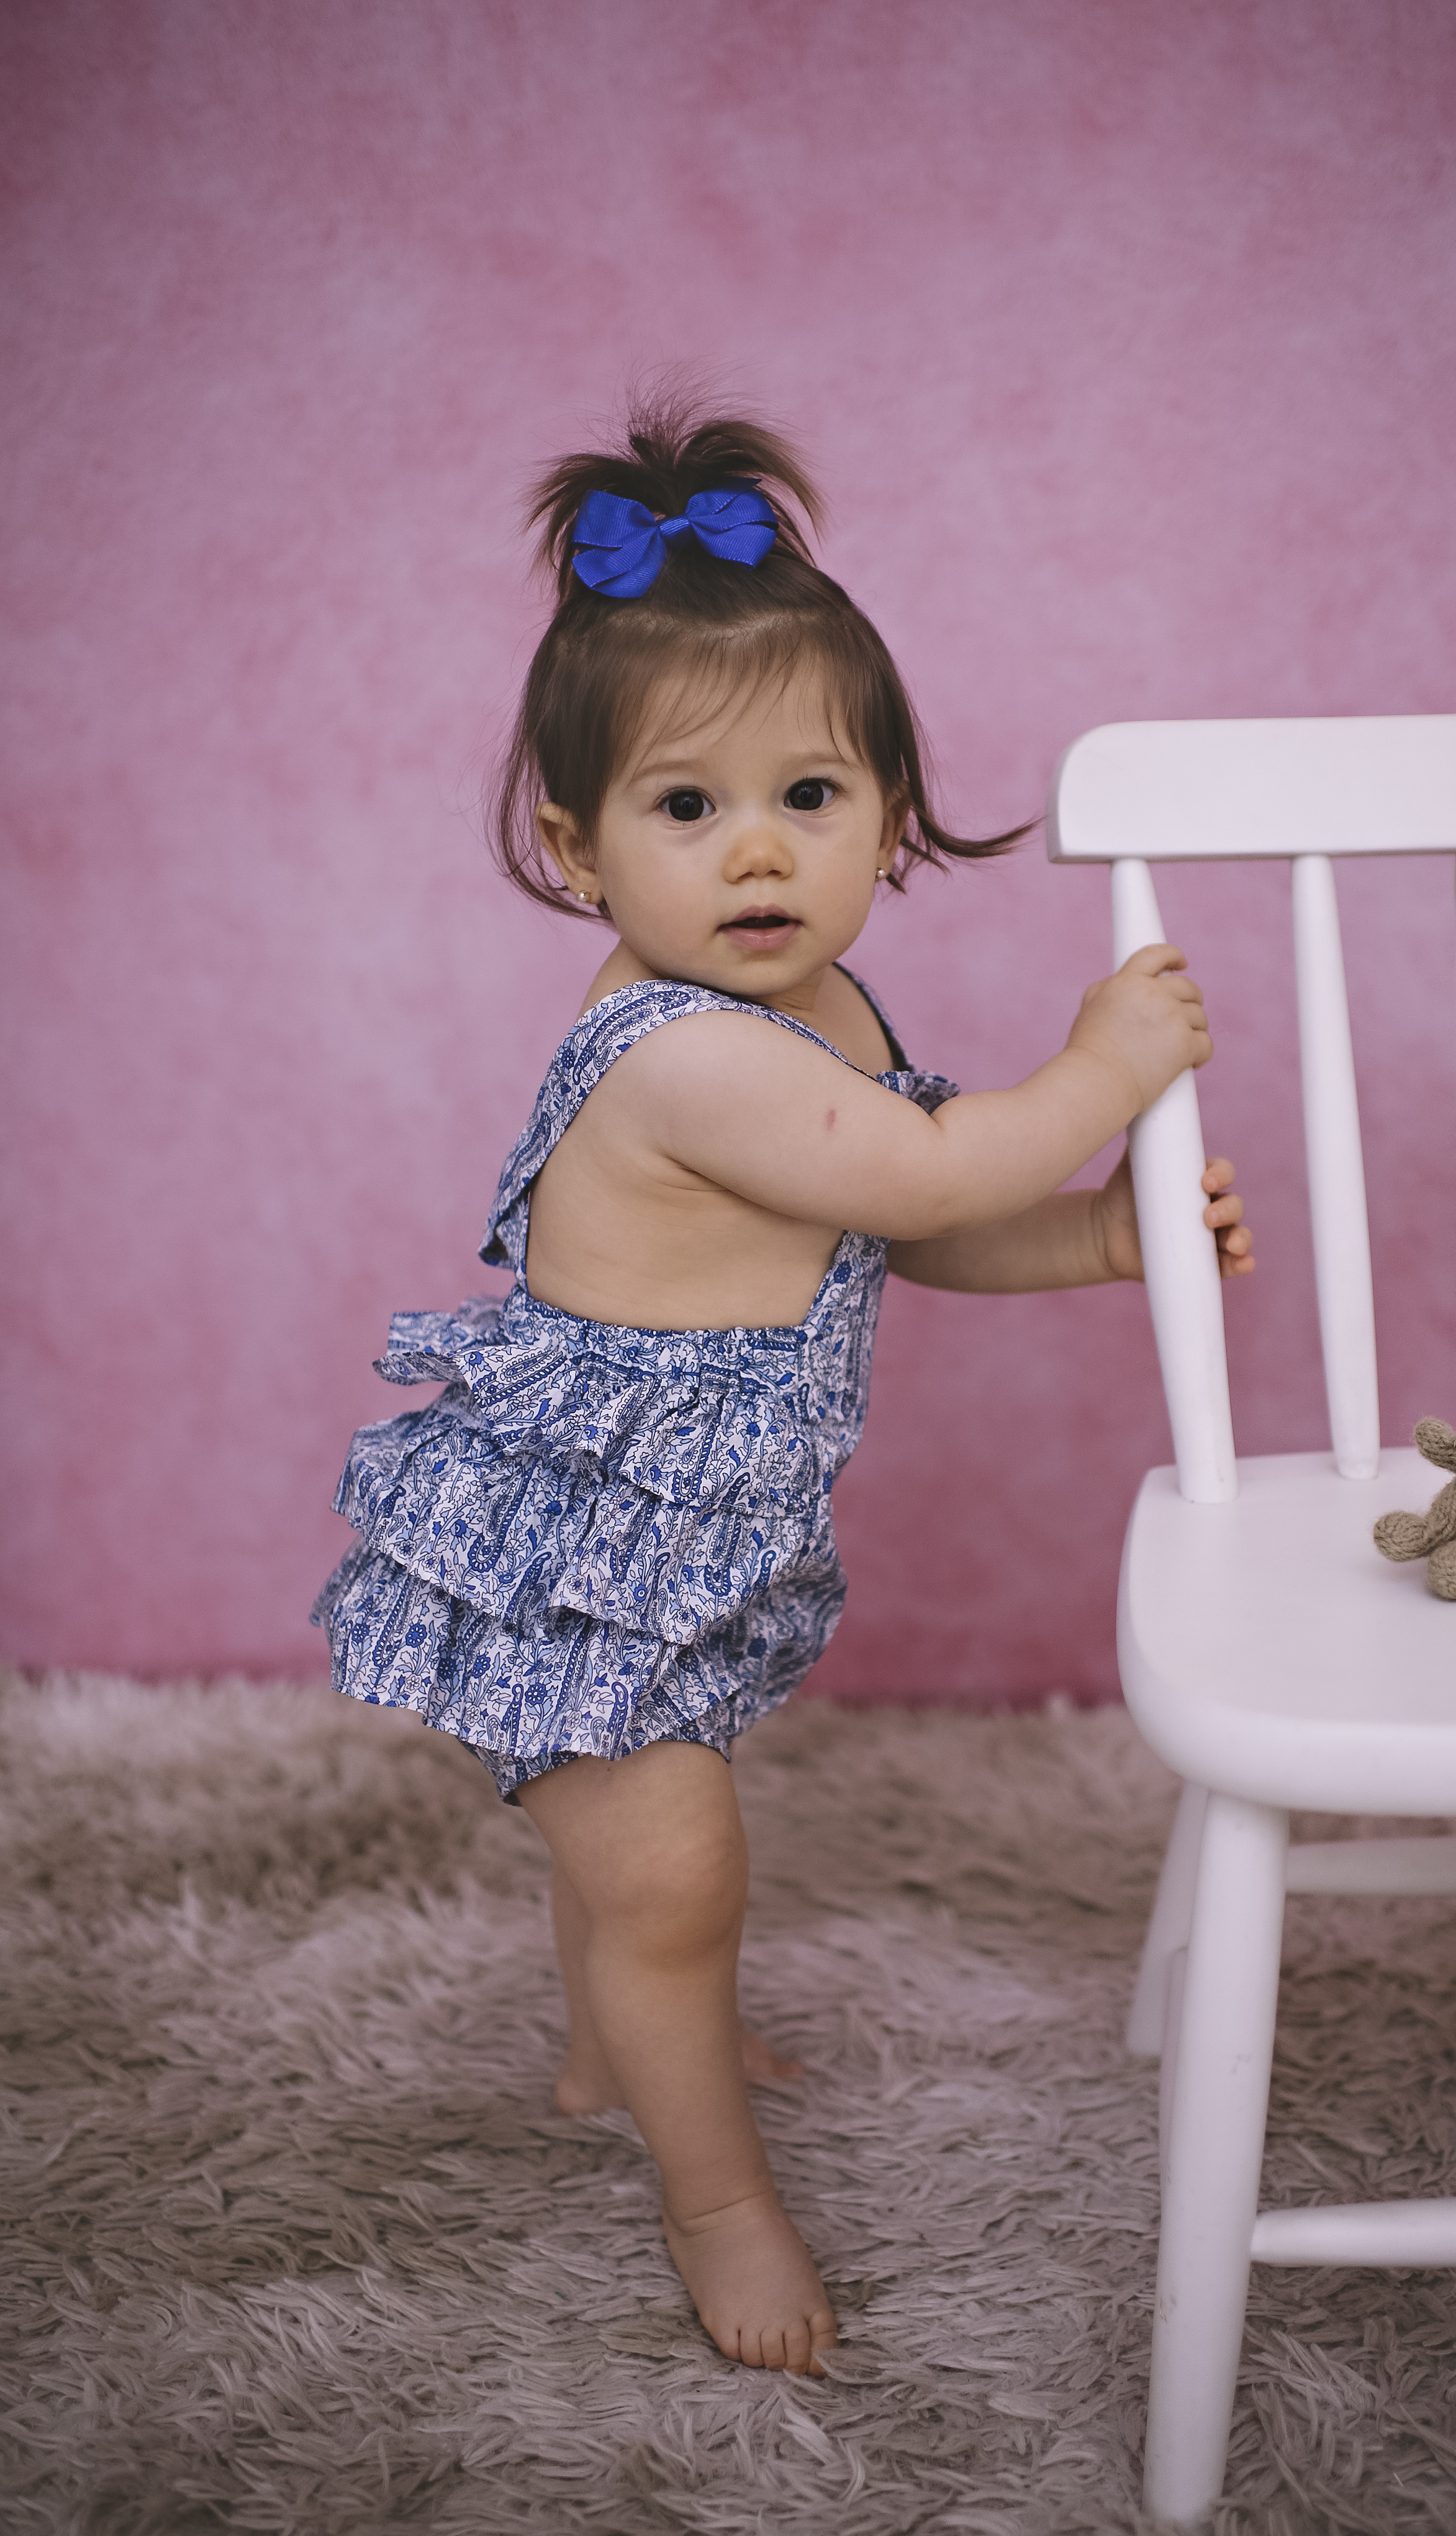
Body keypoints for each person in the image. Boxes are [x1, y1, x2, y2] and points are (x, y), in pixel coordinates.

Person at [314, 395, 1253, 2380]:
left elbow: (896, 1224)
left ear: (892, 814)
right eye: (686, 807)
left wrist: (1093, 1232)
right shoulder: (689, 1053)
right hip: (588, 1547)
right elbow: (925, 1172)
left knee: (629, 1854)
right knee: (673, 1868)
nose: (757, 848)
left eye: (810, 793)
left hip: (680, 1532)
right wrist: (1103, 1069)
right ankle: (713, 2195)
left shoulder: (816, 1006)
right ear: (575, 848)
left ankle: (612, 2048)